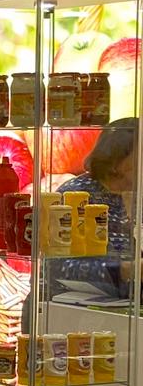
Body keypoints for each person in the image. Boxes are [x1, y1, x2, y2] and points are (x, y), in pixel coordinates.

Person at [50, 117, 137, 297]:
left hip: (127, 307)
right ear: (117, 161)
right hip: (67, 306)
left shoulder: (138, 194)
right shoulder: (76, 195)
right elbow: (55, 266)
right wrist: (123, 270)